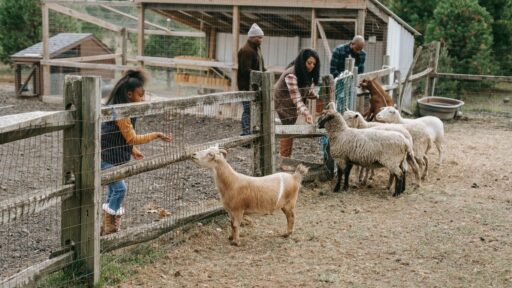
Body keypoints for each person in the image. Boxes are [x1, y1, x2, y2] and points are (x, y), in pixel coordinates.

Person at [100, 69, 173, 235]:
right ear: (129, 94)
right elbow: (131, 137)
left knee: (113, 190)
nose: (143, 99)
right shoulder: (122, 112)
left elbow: (121, 137)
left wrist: (133, 150)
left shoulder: (124, 109)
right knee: (120, 189)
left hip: (112, 155)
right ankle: (111, 228)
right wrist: (156, 134)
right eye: (141, 95)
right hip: (106, 157)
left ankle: (106, 227)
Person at [322, 35, 366, 180]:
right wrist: (343, 81)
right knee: (337, 110)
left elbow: (360, 71)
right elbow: (333, 69)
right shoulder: (339, 51)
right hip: (339, 84)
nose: (359, 52)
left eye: (361, 50)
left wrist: (355, 81)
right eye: (357, 49)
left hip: (351, 87)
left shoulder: (362, 54)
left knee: (348, 111)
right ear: (352, 44)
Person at [274, 48, 320, 171]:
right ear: (302, 61)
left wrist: (313, 94)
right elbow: (297, 98)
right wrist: (307, 114)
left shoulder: (306, 73)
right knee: (288, 129)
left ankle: (286, 158)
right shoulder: (291, 74)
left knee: (290, 130)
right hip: (283, 103)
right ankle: (284, 161)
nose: (311, 66)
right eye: (309, 63)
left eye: (314, 64)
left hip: (292, 105)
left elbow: (306, 89)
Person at [238, 23, 265, 137]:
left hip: (253, 85)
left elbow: (258, 66)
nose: (261, 40)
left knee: (252, 109)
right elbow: (246, 70)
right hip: (246, 86)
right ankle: (245, 133)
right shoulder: (246, 51)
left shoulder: (255, 49)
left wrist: (264, 72)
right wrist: (261, 75)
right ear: (252, 37)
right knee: (247, 110)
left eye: (261, 37)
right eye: (259, 37)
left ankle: (250, 130)